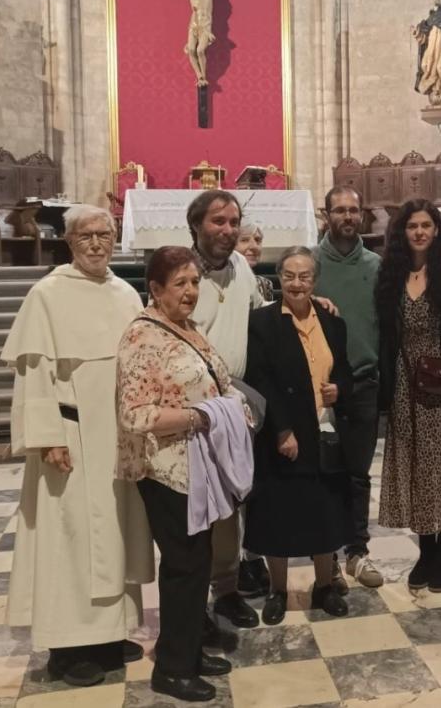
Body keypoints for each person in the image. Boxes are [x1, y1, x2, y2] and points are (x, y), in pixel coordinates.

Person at [2, 205, 153, 688]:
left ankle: (108, 635)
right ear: (69, 242)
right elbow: (33, 373)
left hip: (117, 438)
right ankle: (67, 649)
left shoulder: (125, 292)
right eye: (84, 236)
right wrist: (47, 437)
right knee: (69, 541)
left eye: (103, 234)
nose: (95, 244)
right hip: (70, 438)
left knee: (114, 534)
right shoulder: (47, 294)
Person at [118, 246, 249, 702]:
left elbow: (221, 382)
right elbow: (134, 415)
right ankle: (171, 669)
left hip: (197, 467)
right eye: (181, 284)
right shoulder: (141, 338)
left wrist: (231, 408)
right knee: (184, 566)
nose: (191, 292)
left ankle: (189, 650)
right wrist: (202, 416)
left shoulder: (188, 328)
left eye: (195, 282)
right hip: (165, 470)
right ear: (155, 290)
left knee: (196, 565)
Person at [243, 247, 354, 624]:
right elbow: (261, 379)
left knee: (323, 511)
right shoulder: (262, 321)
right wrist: (282, 430)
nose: (296, 283)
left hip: (322, 431)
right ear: (278, 279)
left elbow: (347, 373)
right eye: (289, 275)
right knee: (279, 513)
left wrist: (340, 388)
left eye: (304, 276)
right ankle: (278, 590)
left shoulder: (333, 322)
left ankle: (324, 587)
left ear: (315, 280)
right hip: (284, 434)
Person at [376, 199, 441, 593]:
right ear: (402, 232)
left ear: (437, 230)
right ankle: (425, 553)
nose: (419, 232)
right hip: (405, 385)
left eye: (426, 225)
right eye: (412, 226)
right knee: (419, 469)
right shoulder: (391, 274)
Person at [185, 189, 265, 628]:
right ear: (196, 225)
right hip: (193, 407)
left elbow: (259, 315)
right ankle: (193, 601)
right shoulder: (181, 269)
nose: (228, 230)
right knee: (199, 505)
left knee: (232, 500)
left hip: (237, 400)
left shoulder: (239, 267)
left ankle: (229, 589)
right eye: (218, 221)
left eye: (234, 222)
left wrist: (311, 308)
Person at [313, 185, 384, 589]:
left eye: (353, 210)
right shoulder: (311, 263)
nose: (347, 217)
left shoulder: (375, 266)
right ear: (326, 215)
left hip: (362, 383)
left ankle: (358, 551)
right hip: (319, 387)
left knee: (358, 473)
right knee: (325, 473)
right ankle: (330, 559)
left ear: (362, 215)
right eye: (339, 210)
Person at [235, 219, 275, 303]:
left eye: (257, 240)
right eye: (244, 240)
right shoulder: (221, 284)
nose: (254, 247)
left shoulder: (264, 285)